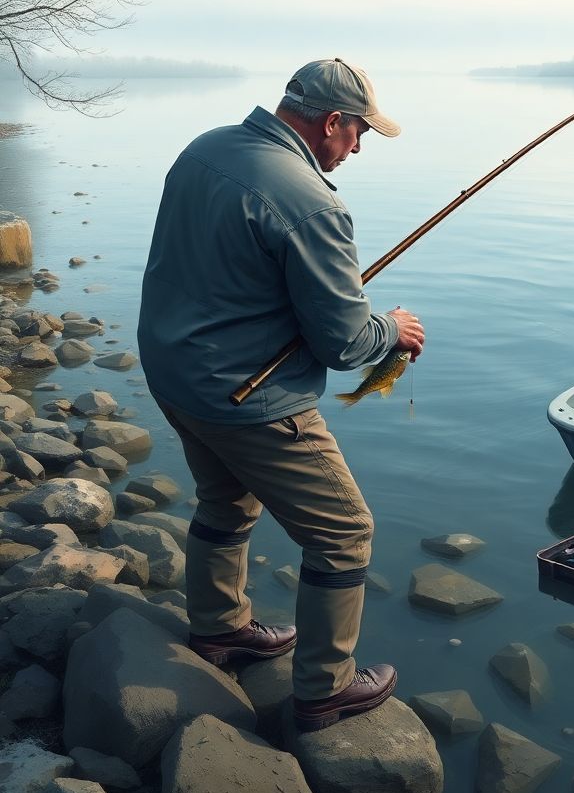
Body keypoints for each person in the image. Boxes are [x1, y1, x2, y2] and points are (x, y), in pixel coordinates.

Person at [137, 57, 426, 733]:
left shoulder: (206, 147)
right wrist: (393, 327)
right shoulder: (312, 201)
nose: (355, 149)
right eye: (357, 134)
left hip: (173, 371)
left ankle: (219, 629)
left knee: (225, 496)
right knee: (345, 534)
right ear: (332, 121)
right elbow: (347, 346)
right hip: (245, 396)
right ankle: (324, 692)